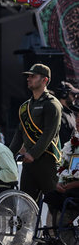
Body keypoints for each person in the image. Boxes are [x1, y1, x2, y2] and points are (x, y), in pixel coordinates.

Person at [10, 63, 62, 201]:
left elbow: (49, 133)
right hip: (29, 163)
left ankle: (57, 224)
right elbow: (19, 133)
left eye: (33, 76)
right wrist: (9, 155)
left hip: (47, 161)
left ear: (45, 80)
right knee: (26, 203)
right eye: (28, 76)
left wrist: (33, 154)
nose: (28, 79)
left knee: (54, 202)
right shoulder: (25, 107)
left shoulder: (52, 104)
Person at [43, 129, 79, 219]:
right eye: (77, 118)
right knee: (51, 197)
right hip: (70, 188)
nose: (77, 120)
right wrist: (60, 183)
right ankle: (55, 230)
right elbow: (64, 167)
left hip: (76, 188)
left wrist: (73, 184)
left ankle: (65, 229)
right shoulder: (72, 144)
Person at [54, 81, 78, 146]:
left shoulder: (70, 113)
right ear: (64, 94)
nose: (75, 97)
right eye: (73, 94)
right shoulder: (59, 114)